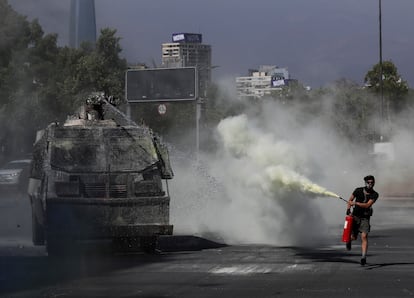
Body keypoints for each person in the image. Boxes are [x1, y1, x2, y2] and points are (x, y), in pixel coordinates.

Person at [346, 175, 379, 266]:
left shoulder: (375, 194)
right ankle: (349, 240)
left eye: (372, 183)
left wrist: (355, 203)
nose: (370, 184)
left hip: (365, 217)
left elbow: (367, 205)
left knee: (364, 236)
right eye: (368, 182)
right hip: (355, 216)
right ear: (365, 183)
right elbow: (350, 200)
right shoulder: (358, 190)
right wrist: (348, 209)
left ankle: (363, 257)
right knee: (354, 237)